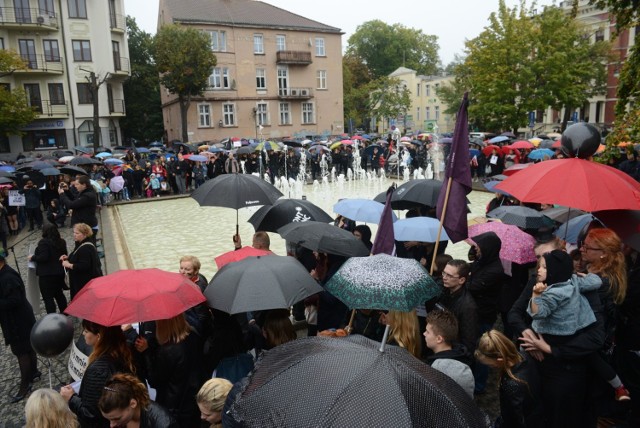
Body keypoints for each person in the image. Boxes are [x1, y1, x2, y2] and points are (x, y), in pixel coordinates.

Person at [527, 249, 630, 400]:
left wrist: (536, 295)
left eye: (544, 267)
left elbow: (538, 313)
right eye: (539, 266)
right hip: (579, 329)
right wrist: (585, 276)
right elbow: (596, 281)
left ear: (555, 270)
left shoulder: (553, 293)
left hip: (554, 338)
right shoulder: (574, 281)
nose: (539, 270)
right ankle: (619, 387)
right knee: (594, 361)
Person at [60, 320, 136, 427]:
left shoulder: (98, 370)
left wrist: (71, 398)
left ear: (99, 336)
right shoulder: (122, 349)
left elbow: (91, 415)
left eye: (86, 331)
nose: (83, 334)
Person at [134, 314, 201, 427]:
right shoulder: (192, 337)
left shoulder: (169, 350)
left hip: (172, 408)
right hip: (191, 405)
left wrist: (146, 352)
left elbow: (154, 380)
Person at [475, 330, 543, 428]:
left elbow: (514, 420)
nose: (491, 367)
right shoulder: (525, 356)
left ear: (500, 359)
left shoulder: (512, 384)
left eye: (491, 364)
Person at [0, 253, 38, 403]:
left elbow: (14, 300)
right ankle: (34, 372)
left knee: (22, 352)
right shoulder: (4, 273)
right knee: (28, 348)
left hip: (18, 322)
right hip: (20, 319)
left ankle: (25, 385)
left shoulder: (7, 277)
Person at [424, 310, 475, 398]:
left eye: (427, 332)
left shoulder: (437, 370)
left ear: (439, 339)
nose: (424, 333)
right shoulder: (462, 356)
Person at [98, 373, 177, 427]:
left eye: (117, 418)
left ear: (133, 404)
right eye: (109, 419)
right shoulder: (120, 415)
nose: (112, 425)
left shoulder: (164, 424)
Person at [438, 259, 480, 356]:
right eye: (444, 273)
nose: (444, 277)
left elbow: (468, 343)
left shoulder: (468, 307)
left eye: (449, 275)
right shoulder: (444, 290)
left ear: (461, 280)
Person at [29, 224, 68, 314]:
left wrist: (33, 257)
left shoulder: (43, 242)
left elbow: (44, 257)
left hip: (46, 275)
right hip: (58, 273)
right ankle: (65, 311)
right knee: (59, 294)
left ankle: (52, 315)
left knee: (48, 297)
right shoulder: (61, 241)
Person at [61, 223, 102, 300]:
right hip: (82, 281)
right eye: (74, 232)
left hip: (84, 283)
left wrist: (68, 265)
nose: (74, 235)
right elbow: (78, 256)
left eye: (77, 233)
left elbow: (84, 265)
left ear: (84, 235)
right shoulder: (81, 243)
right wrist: (69, 257)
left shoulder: (85, 248)